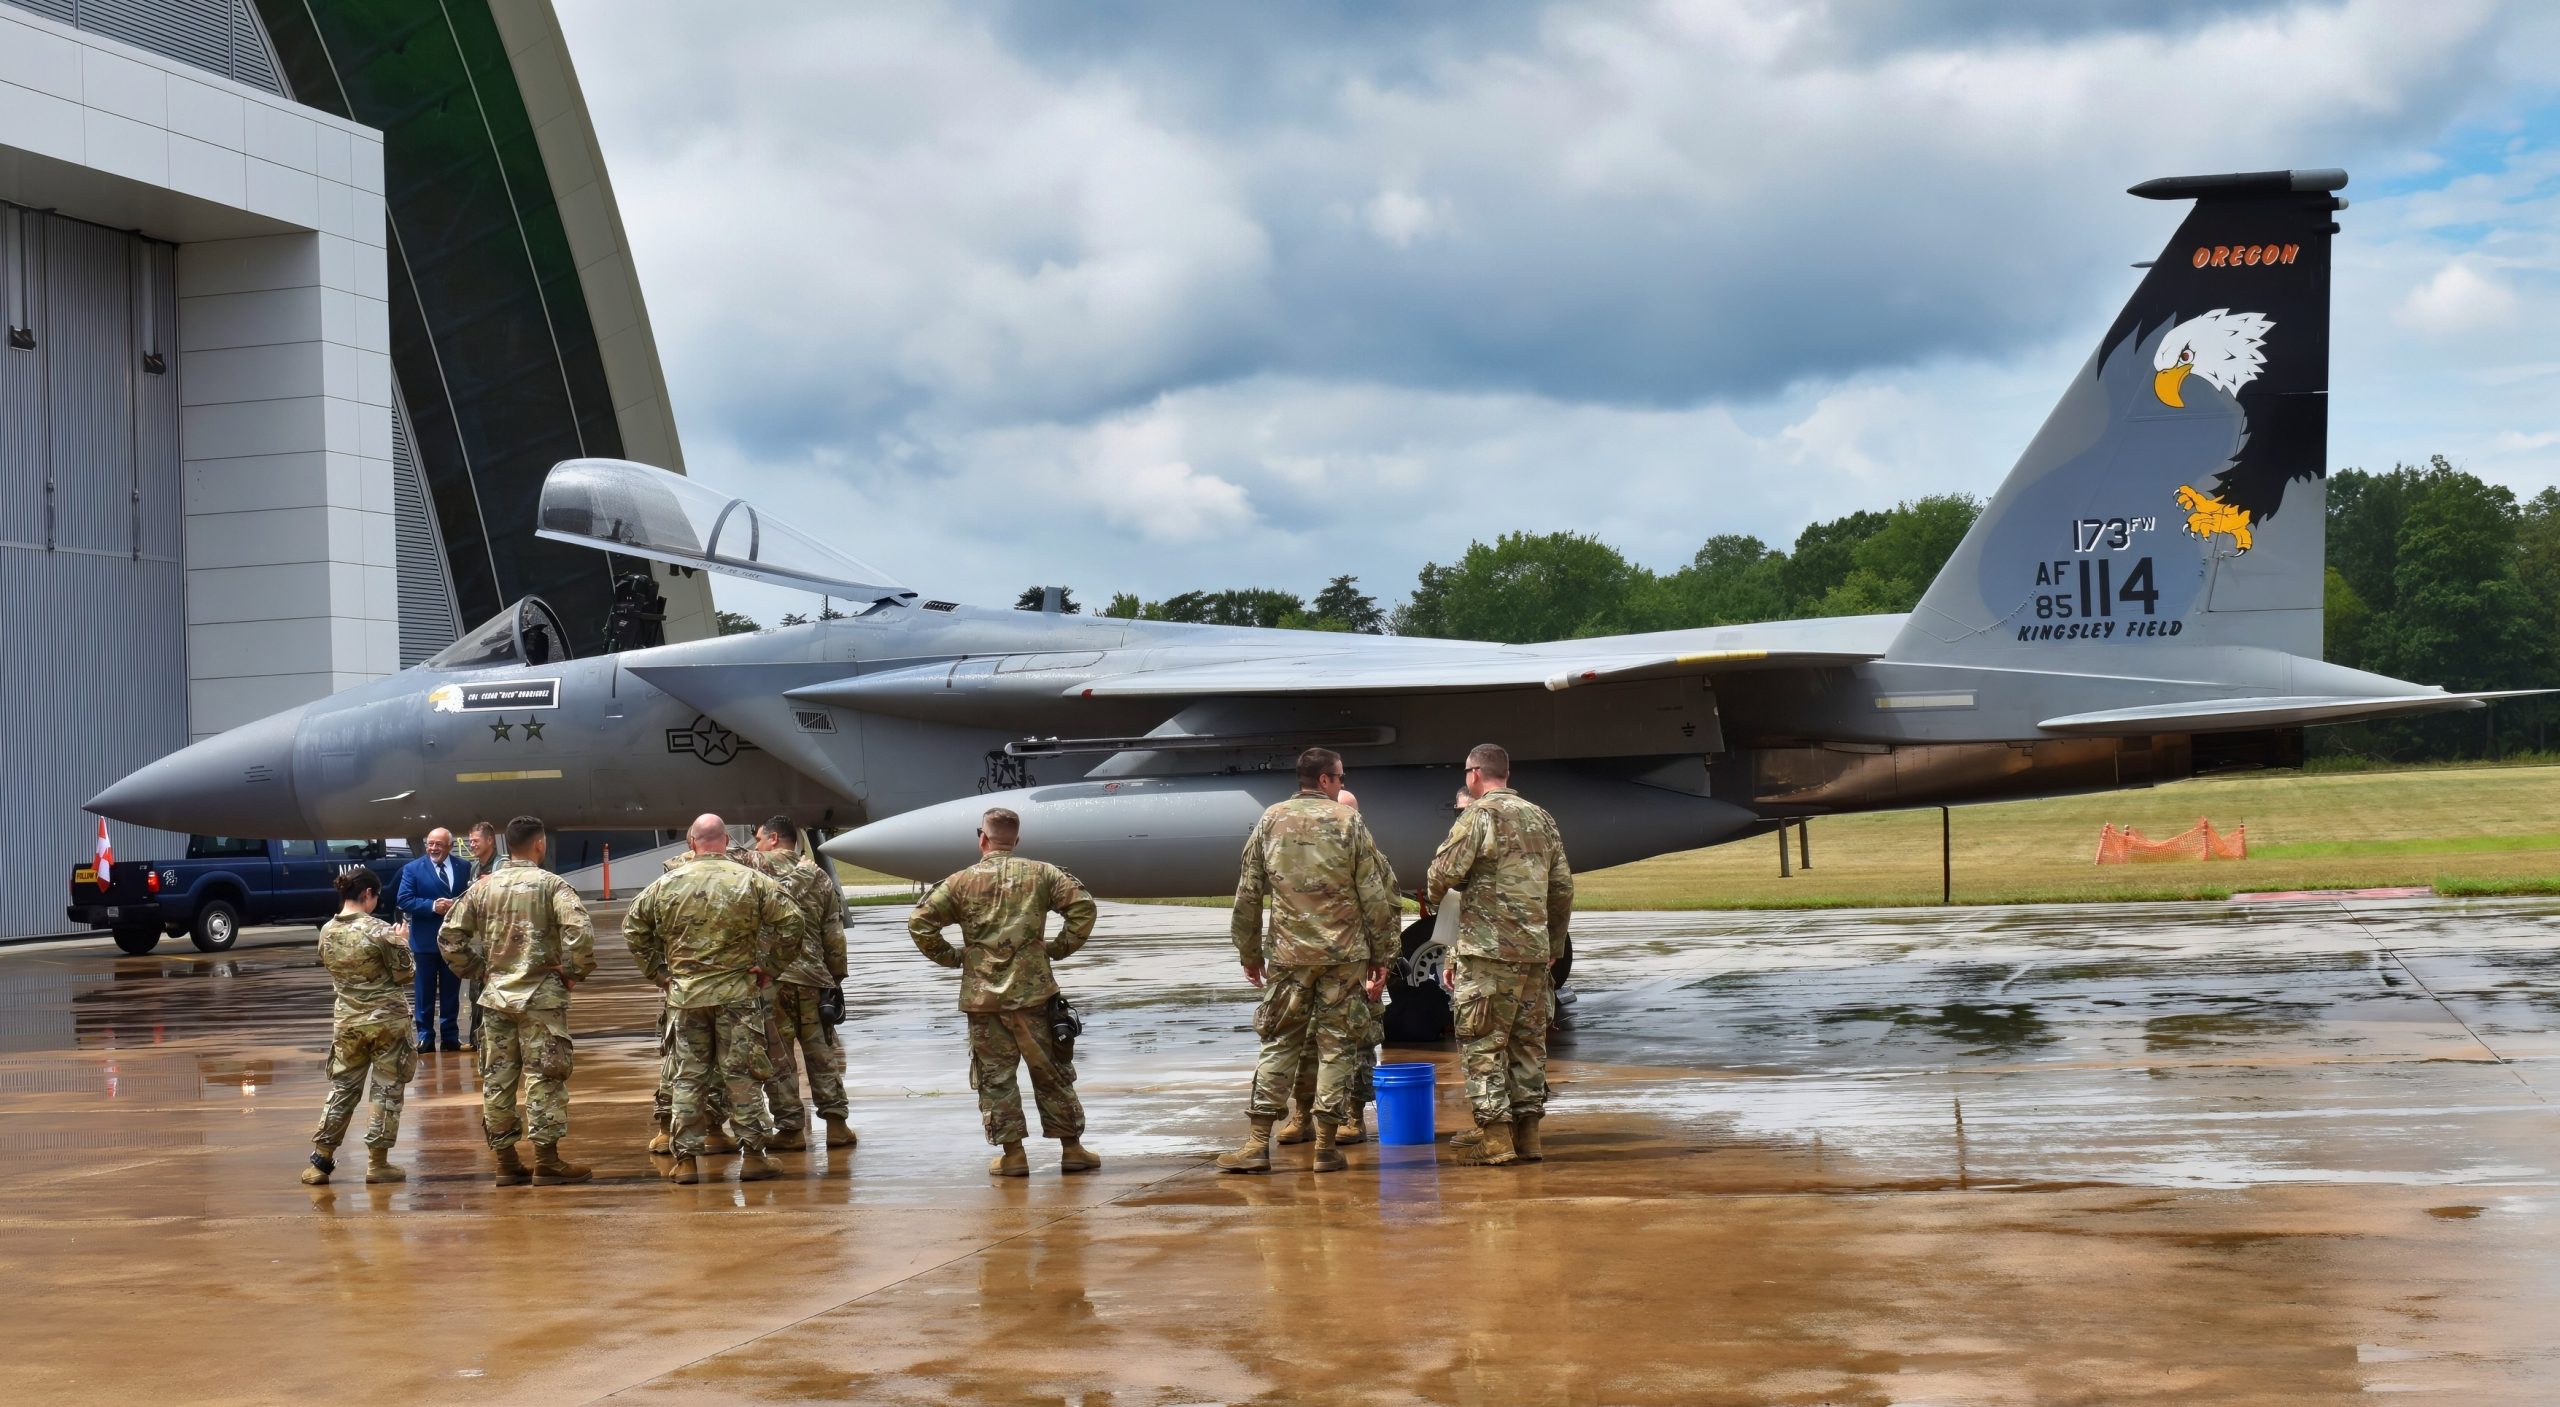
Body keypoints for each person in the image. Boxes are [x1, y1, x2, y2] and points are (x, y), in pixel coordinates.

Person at [1215, 748, 1397, 1175]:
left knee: (1279, 1042)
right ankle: (1326, 1148)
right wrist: (1382, 954)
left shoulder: (1270, 820)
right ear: (1324, 780)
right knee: (1337, 1047)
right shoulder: (1349, 822)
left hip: (1289, 955)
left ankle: (1257, 1143)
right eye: (1340, 777)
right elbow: (1374, 893)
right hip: (1343, 956)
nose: (1341, 783)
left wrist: (1249, 953)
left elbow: (1248, 892)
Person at [907, 807, 1100, 1177]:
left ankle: (1014, 1156)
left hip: (985, 1000)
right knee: (1052, 1072)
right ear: (1017, 839)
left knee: (996, 1078)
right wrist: (1057, 949)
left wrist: (954, 958)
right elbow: (1083, 908)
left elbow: (920, 922)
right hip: (1034, 996)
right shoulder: (1043, 874)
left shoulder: (960, 882)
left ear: (983, 838)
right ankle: (1072, 1149)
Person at [624, 814, 798, 1185]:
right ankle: (754, 1157)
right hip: (737, 995)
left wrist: (658, 972)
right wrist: (770, 967)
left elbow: (633, 928)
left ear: (692, 843)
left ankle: (686, 1161)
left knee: (688, 1076)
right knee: (742, 1075)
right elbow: (792, 922)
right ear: (726, 841)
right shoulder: (752, 880)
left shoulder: (666, 884)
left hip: (687, 997)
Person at [1426, 744, 1574, 1167]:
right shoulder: (1541, 817)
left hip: (1487, 954)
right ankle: (1528, 1137)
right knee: (1528, 1045)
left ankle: (1495, 1139)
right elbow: (1562, 888)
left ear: (1475, 774)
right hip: (1533, 955)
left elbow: (1441, 875)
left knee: (1482, 1044)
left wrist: (1442, 894)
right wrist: (1553, 945)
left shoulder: (1478, 816)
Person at [439, 815, 598, 1187]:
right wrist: (573, 971)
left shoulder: (482, 888)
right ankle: (547, 1160)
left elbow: (449, 938)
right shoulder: (552, 885)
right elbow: (580, 932)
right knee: (545, 1076)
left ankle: (506, 1162)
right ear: (540, 843)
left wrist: (479, 970)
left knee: (497, 1080)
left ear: (507, 846)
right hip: (540, 998)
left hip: (496, 999)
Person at [300, 867, 415, 1186]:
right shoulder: (380, 931)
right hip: (387, 1022)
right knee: (386, 1089)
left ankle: (320, 1161)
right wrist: (402, 943)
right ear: (367, 894)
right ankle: (378, 1163)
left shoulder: (327, 931)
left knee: (343, 1088)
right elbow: (406, 974)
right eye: (376, 897)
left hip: (348, 1022)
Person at [753, 816, 855, 1151]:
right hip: (812, 979)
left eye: (758, 838)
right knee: (821, 1052)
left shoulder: (754, 870)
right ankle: (837, 1125)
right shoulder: (818, 876)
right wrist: (834, 979)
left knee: (778, 1056)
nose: (756, 845)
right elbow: (833, 934)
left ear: (772, 839)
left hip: (771, 979)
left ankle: (791, 1130)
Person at [393, 827, 468, 1053]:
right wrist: (433, 906)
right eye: (430, 844)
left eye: (438, 844)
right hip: (425, 942)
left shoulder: (463, 867)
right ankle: (425, 1037)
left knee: (451, 992)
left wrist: (456, 905)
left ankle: (450, 1037)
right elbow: (404, 900)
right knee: (424, 992)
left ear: (450, 846)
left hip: (453, 942)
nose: (433, 848)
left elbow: (470, 897)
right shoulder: (413, 869)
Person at [459, 820, 500, 1048]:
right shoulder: (474, 867)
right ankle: (477, 1040)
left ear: (490, 840)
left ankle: (495, 1039)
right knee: (475, 990)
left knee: (495, 989)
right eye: (470, 841)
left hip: (498, 939)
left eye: (475, 841)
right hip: (479, 937)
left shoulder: (502, 866)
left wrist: (492, 882)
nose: (472, 845)